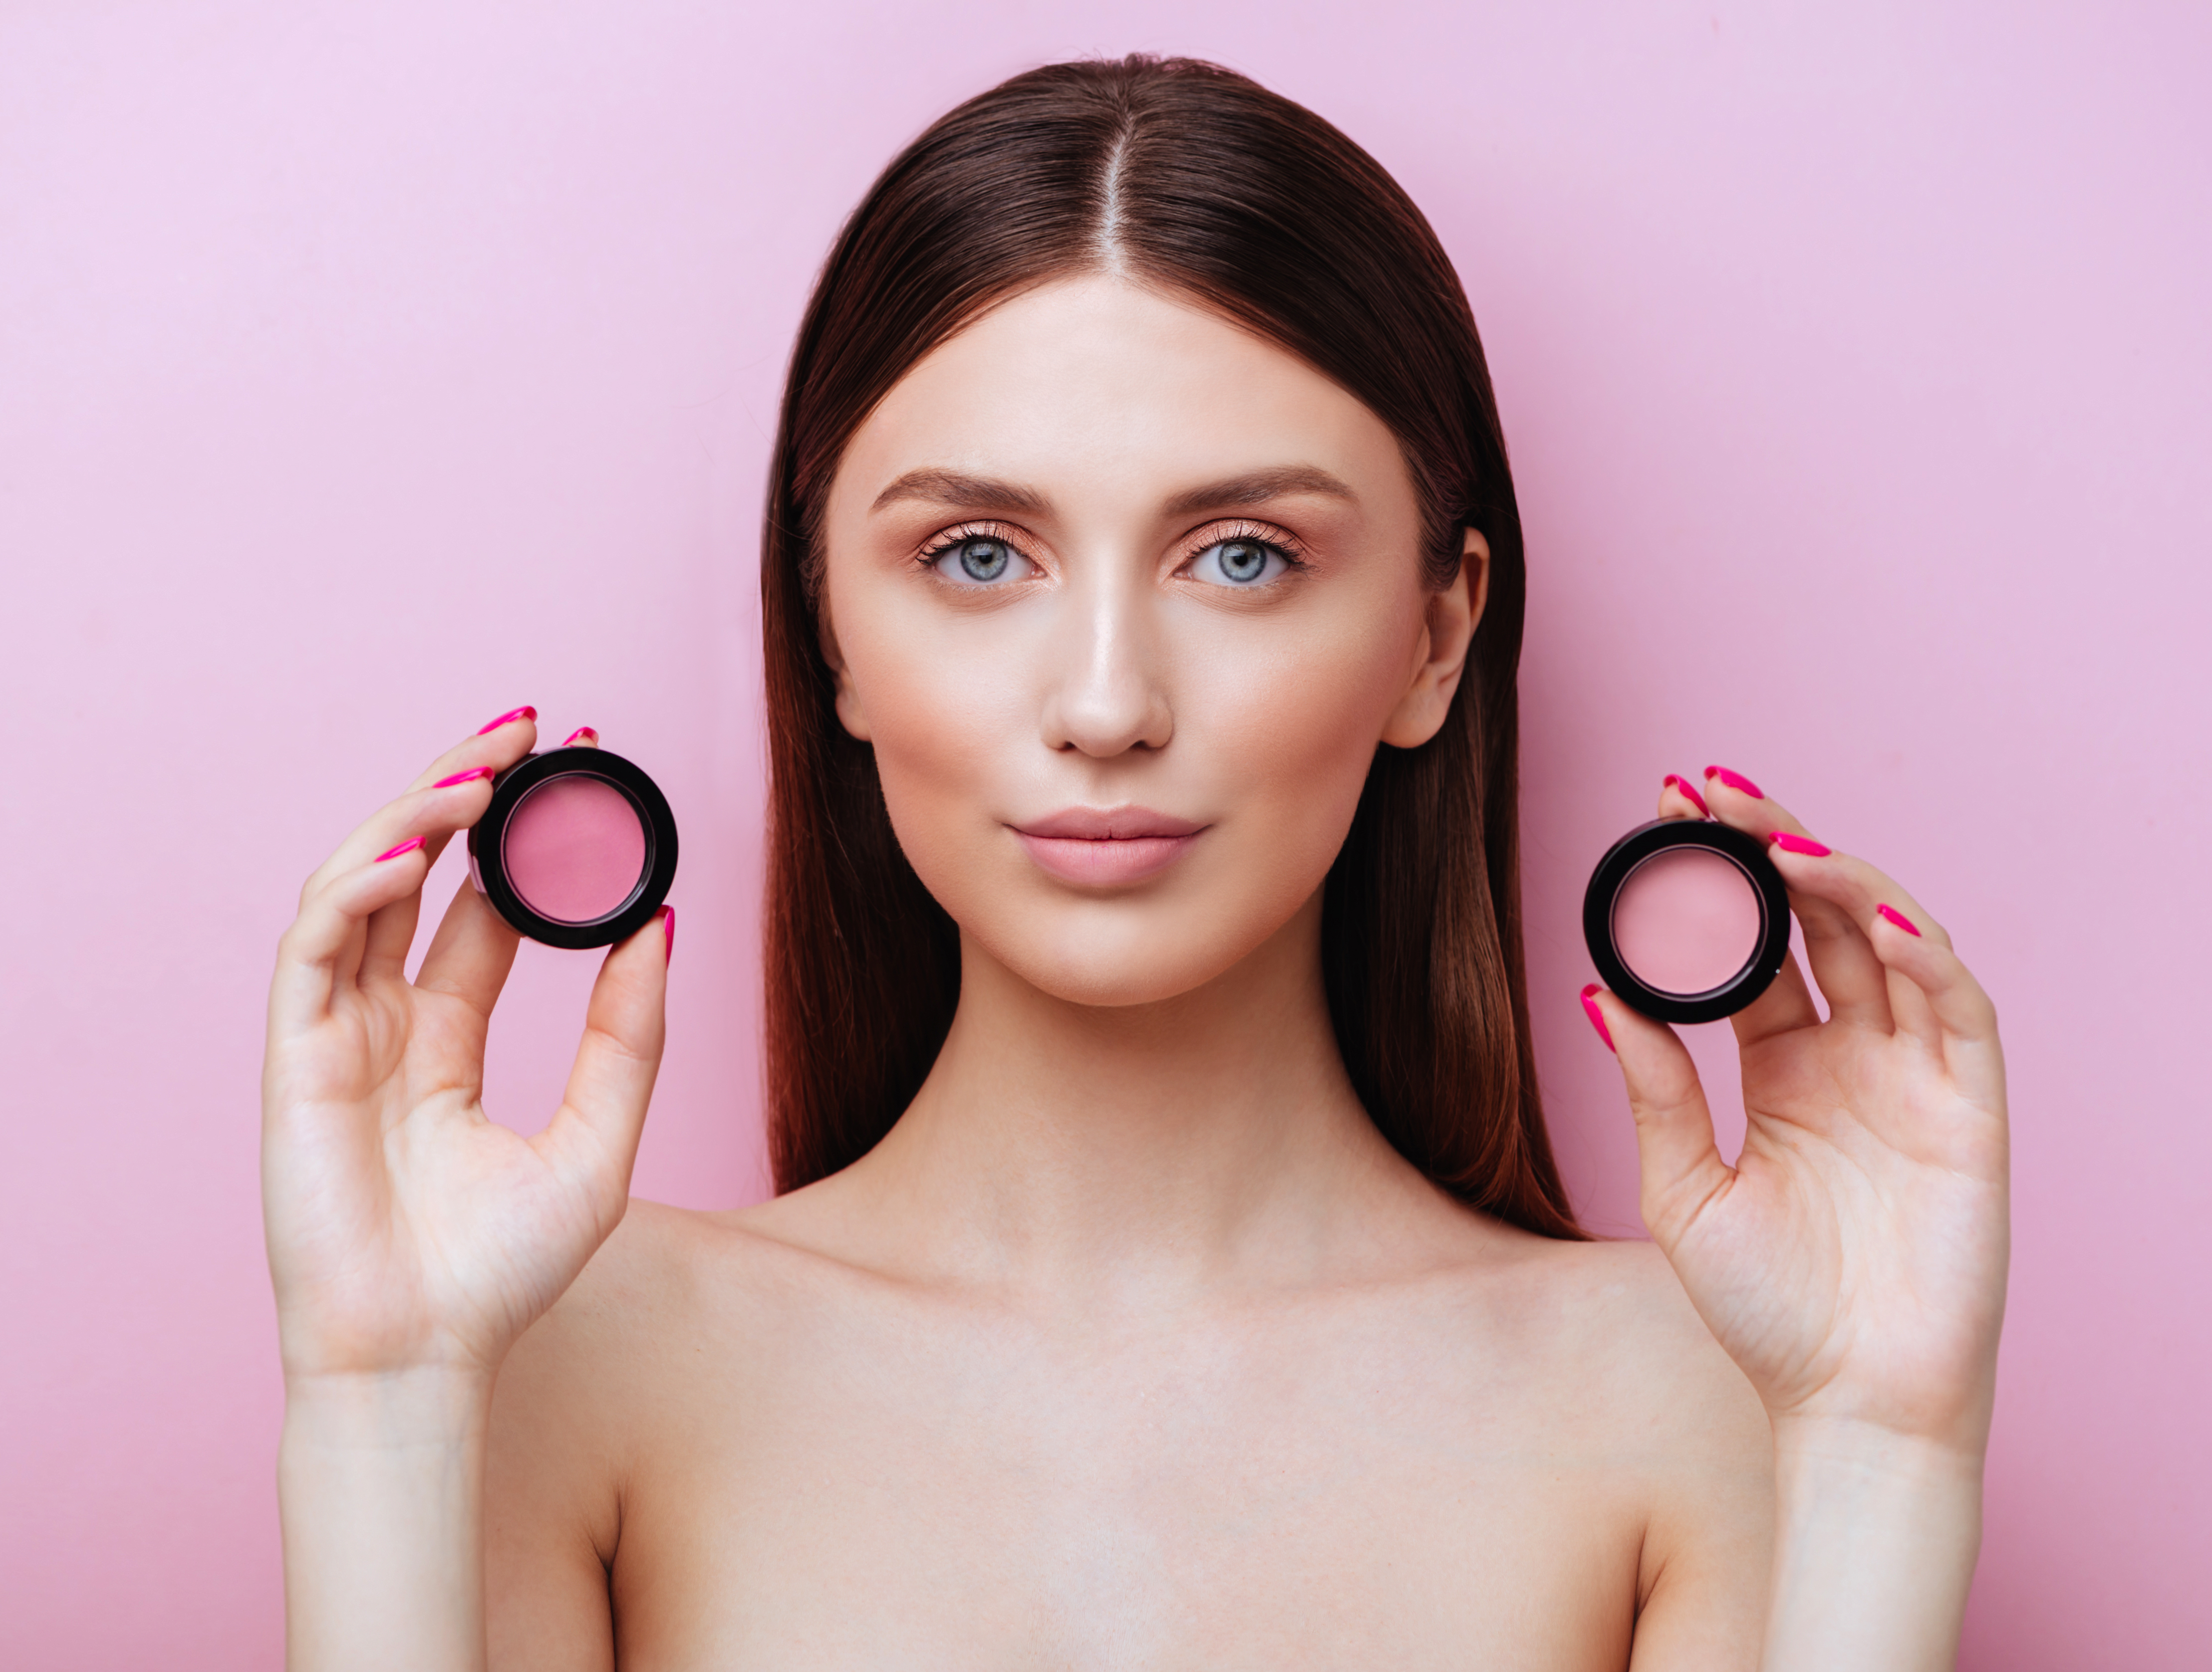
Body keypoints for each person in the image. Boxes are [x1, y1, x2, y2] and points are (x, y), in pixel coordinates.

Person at [263, 55, 2008, 1670]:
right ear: (832, 635)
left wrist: (1881, 1451)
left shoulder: (1694, 1393)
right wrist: (382, 1400)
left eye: (1243, 557)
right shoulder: (572, 1357)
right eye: (975, 554)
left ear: (1435, 635)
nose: (1105, 702)